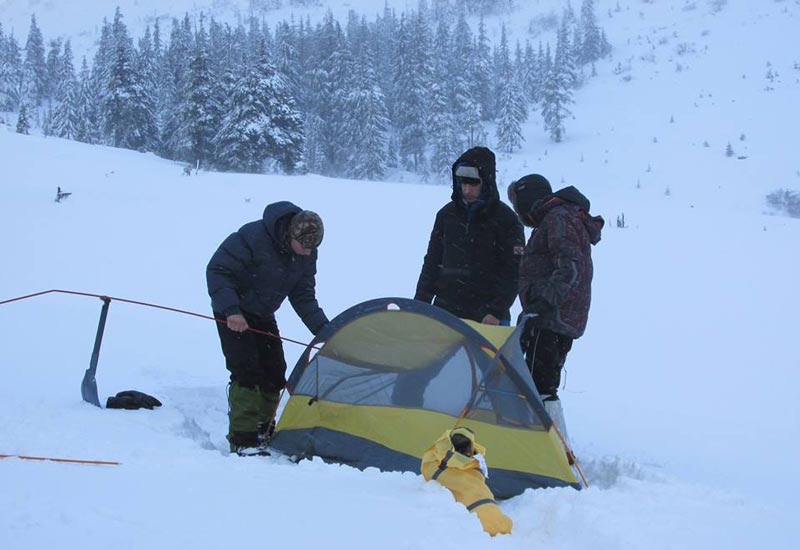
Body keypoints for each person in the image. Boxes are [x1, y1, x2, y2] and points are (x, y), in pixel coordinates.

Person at [206, 201, 328, 456]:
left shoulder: (306, 252)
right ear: (291, 235)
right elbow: (218, 271)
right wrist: (232, 311)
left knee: (274, 371)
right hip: (234, 310)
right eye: (304, 247)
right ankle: (243, 438)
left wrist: (325, 330)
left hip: (262, 312)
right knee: (246, 369)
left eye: (312, 249)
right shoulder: (253, 238)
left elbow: (303, 295)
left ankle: (263, 428)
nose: (307, 253)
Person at [507, 175, 604, 435]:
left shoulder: (559, 219)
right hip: (556, 316)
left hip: (551, 318)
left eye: (518, 206)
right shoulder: (560, 218)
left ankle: (552, 450)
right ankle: (547, 445)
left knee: (540, 385)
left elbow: (570, 267)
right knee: (540, 381)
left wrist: (542, 303)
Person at [415, 147, 525, 325]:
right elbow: (432, 262)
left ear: (487, 181)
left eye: (473, 183)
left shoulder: (507, 220)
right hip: (445, 312)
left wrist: (496, 311)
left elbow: (513, 271)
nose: (467, 189)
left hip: (488, 318)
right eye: (462, 182)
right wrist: (421, 303)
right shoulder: (446, 215)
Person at [421, 427, 512, 537]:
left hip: (482, 516)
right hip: (494, 518)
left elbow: (427, 470)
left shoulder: (433, 460)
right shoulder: (476, 463)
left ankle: (490, 520)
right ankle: (492, 521)